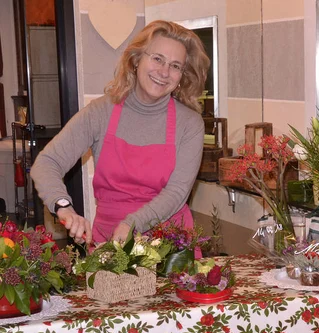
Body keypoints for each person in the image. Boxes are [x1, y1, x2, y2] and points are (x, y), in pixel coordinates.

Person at [31, 20, 210, 245]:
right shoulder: (100, 112)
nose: (164, 72)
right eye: (157, 59)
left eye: (175, 66)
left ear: (182, 75)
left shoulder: (190, 123)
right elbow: (47, 162)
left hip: (170, 244)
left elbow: (177, 192)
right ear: (136, 59)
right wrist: (63, 206)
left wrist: (132, 223)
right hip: (110, 242)